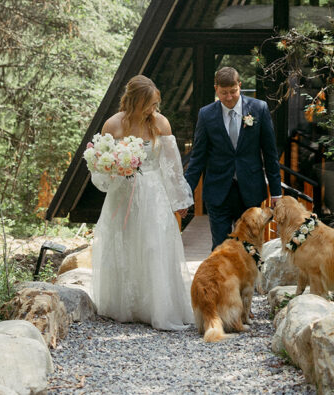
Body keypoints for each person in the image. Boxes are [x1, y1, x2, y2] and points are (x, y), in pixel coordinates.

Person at [89, 75, 194, 330]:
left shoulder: (161, 123)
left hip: (153, 193)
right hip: (122, 195)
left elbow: (171, 166)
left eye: (154, 103)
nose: (152, 109)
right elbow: (100, 168)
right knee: (124, 242)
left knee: (152, 244)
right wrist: (113, 168)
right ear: (134, 101)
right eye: (147, 104)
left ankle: (156, 306)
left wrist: (179, 199)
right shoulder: (112, 125)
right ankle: (125, 305)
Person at [185, 66, 283, 250]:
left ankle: (249, 280)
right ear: (216, 89)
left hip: (251, 190)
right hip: (217, 191)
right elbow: (197, 158)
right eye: (224, 93)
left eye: (233, 92)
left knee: (250, 247)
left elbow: (270, 154)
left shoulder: (259, 109)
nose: (229, 97)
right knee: (221, 249)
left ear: (240, 85)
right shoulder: (206, 114)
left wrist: (276, 193)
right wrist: (185, 194)